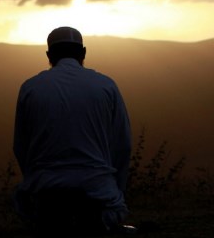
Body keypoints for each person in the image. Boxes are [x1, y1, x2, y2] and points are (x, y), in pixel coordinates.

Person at [13, 26, 135, 235]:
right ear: (83, 53)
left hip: (46, 192)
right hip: (98, 192)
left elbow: (20, 146)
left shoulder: (30, 88)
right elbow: (123, 145)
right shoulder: (106, 86)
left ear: (48, 55)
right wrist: (115, 190)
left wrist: (36, 180)